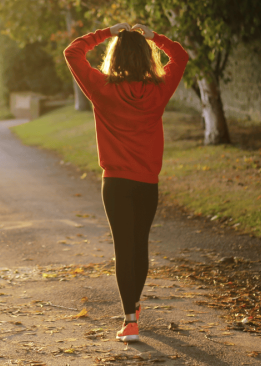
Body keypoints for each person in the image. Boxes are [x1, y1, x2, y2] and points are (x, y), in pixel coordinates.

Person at [63, 23, 189, 342]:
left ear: (114, 57)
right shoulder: (159, 88)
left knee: (124, 247)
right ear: (147, 58)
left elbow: (72, 52)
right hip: (147, 182)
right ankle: (132, 306)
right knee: (140, 244)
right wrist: (154, 37)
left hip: (116, 182)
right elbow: (181, 56)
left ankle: (130, 320)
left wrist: (106, 32)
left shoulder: (101, 87)